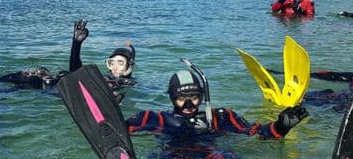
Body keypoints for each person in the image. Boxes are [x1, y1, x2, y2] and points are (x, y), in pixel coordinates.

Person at [124, 69, 308, 158]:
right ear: (172, 98)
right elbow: (121, 128)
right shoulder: (157, 118)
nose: (188, 104)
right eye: (181, 98)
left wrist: (280, 127)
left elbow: (255, 133)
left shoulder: (220, 117)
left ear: (203, 96)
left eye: (194, 97)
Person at [0, 19, 136, 93]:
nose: (115, 66)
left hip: (49, 90)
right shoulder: (99, 76)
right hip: (47, 80)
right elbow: (77, 73)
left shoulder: (127, 84)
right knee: (33, 74)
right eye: (112, 62)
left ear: (129, 67)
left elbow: (78, 79)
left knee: (5, 92)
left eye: (121, 63)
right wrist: (76, 44)